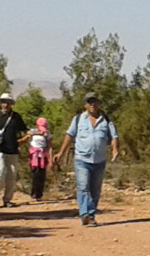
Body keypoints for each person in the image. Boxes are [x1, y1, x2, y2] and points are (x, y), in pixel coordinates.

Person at [56, 94, 118, 226]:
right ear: (85, 105)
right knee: (83, 186)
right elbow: (69, 135)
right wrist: (61, 152)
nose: (92, 105)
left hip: (99, 160)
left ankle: (91, 214)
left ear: (99, 104)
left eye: (95, 102)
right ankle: (85, 214)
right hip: (82, 159)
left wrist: (114, 149)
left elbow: (113, 136)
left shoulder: (106, 120)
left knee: (95, 189)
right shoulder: (78, 119)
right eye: (90, 102)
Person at [0, 92, 28, 207]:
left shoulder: (16, 117)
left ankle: (7, 199)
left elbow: (25, 130)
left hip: (13, 150)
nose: (6, 105)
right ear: (0, 103)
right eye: (4, 102)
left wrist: (28, 137)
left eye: (8, 102)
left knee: (12, 176)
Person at [28, 116, 52, 201]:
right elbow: (27, 135)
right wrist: (37, 133)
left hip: (42, 155)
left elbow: (49, 146)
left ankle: (39, 194)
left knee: (41, 174)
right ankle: (33, 192)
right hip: (34, 155)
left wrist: (50, 159)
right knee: (35, 173)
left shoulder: (47, 133)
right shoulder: (33, 131)